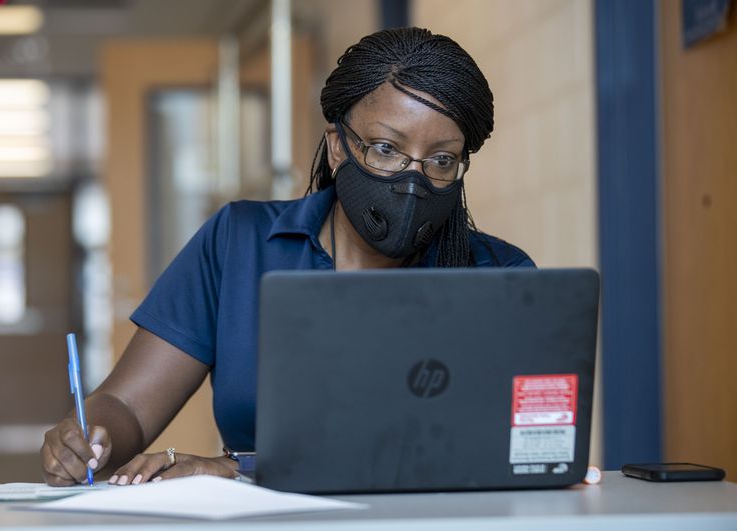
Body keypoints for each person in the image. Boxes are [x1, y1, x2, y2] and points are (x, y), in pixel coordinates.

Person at [41, 26, 534, 487]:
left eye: (441, 160)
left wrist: (238, 470)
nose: (413, 178)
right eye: (386, 148)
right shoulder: (241, 242)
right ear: (338, 146)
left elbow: (512, 447)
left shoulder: (500, 276)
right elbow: (127, 404)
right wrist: (92, 435)